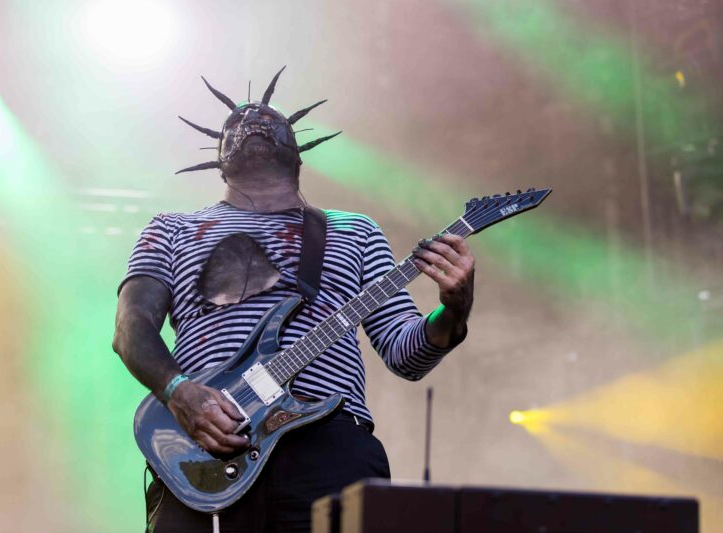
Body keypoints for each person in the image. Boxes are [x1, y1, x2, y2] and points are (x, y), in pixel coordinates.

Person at [112, 68, 475, 532]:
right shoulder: (171, 230)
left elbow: (406, 355)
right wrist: (178, 391)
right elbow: (130, 328)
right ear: (219, 157)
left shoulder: (355, 231)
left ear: (298, 150)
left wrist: (454, 309)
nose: (252, 122)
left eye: (269, 120)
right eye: (237, 123)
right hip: (204, 444)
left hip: (325, 447)